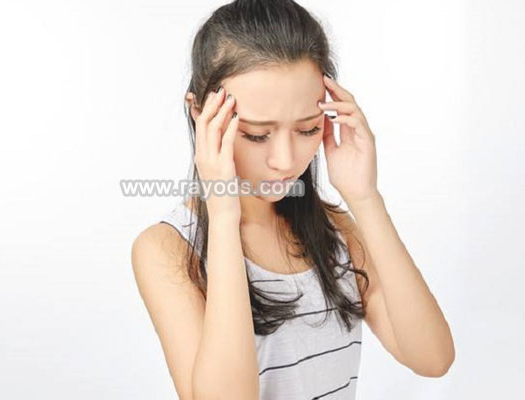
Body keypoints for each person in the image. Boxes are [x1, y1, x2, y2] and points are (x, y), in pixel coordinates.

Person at [131, 1, 455, 398]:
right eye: (256, 134)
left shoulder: (336, 231)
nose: (285, 161)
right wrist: (224, 213)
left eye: (307, 129)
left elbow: (433, 359)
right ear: (200, 114)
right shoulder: (167, 249)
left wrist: (365, 198)